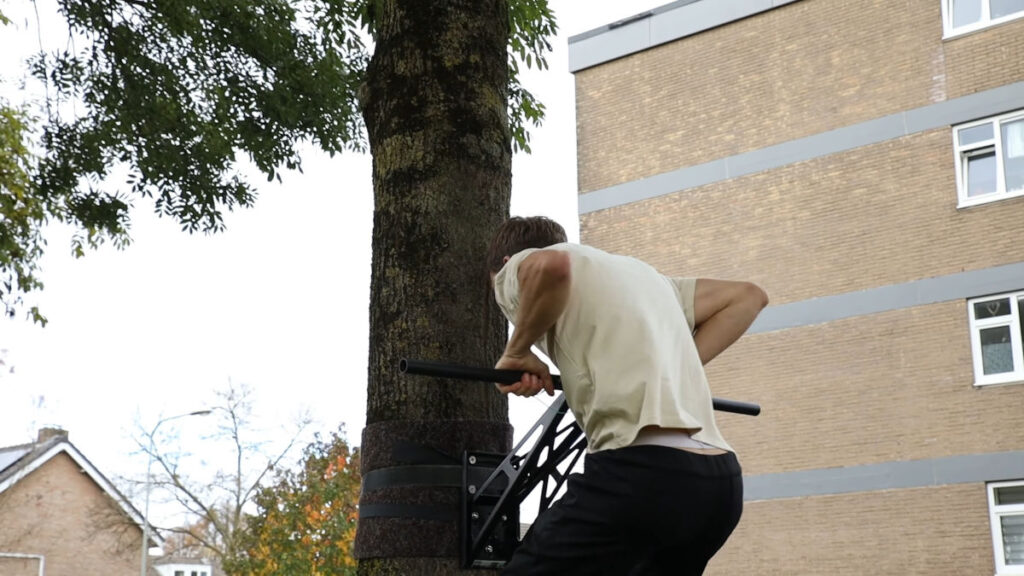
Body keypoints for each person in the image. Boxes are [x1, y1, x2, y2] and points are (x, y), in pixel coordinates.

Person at [487, 216, 768, 576]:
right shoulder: (649, 279)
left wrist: (517, 350)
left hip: (641, 475)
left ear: (508, 264)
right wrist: (669, 369)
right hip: (719, 483)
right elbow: (747, 297)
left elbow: (551, 266)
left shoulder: (523, 264)